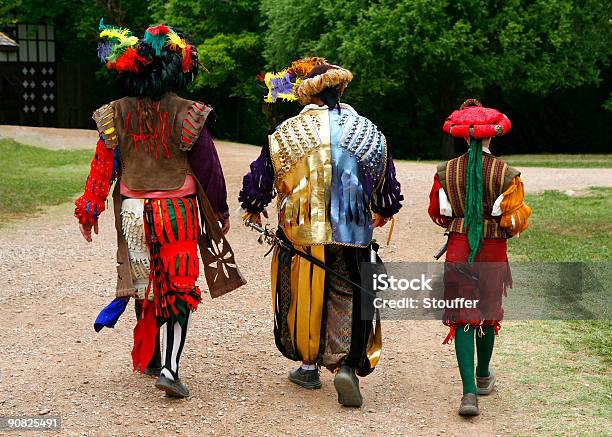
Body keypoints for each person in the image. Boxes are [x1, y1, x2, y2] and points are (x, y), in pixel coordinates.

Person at [75, 21, 245, 398]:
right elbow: (209, 168)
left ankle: (152, 358)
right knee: (178, 288)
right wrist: (220, 212)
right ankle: (169, 366)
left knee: (146, 283)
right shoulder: (189, 112)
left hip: (133, 211)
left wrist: (91, 209)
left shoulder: (114, 113)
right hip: (177, 212)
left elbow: (103, 166)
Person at [239, 58, 403, 407]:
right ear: (340, 88)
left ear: (306, 96)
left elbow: (260, 178)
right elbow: (387, 186)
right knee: (346, 291)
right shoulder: (370, 132)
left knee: (304, 295)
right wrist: (383, 211)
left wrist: (253, 205)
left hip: (301, 233)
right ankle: (345, 365)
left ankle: (308, 365)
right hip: (354, 232)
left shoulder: (285, 133)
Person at [428, 99, 531, 415]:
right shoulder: (506, 174)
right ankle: (483, 375)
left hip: (459, 246)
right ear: (491, 136)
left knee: (463, 318)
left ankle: (468, 394)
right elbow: (513, 220)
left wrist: (458, 223)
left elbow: (438, 212)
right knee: (488, 312)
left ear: (463, 136)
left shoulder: (445, 171)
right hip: (493, 249)